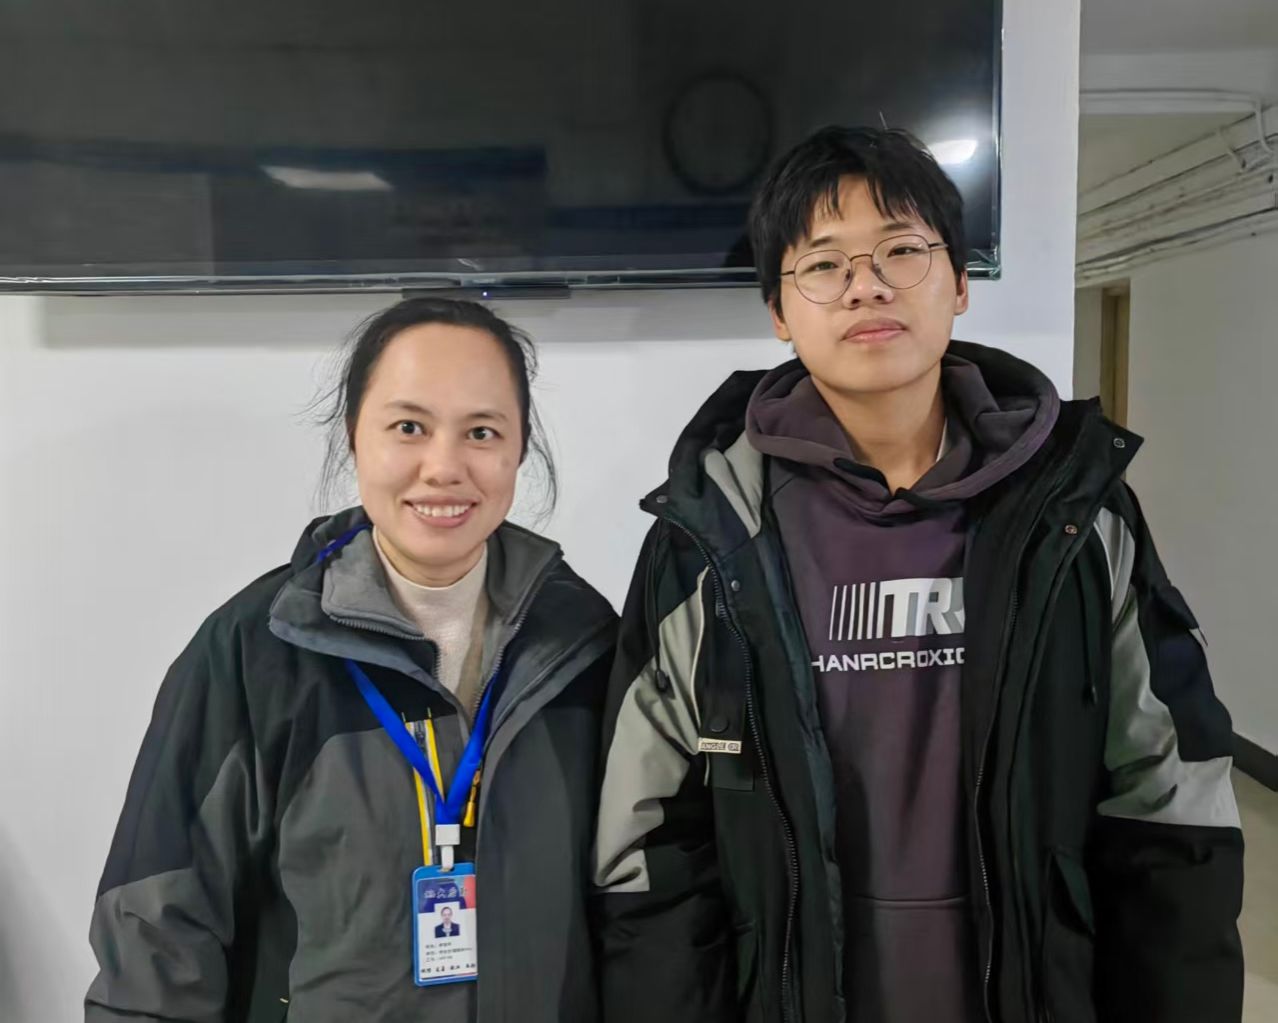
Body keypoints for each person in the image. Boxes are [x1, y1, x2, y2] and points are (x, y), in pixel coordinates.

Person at [593, 127, 1244, 1023]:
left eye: (901, 250)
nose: (866, 284)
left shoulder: (1074, 513)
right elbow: (647, 837)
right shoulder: (710, 533)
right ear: (780, 310)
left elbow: (1169, 800)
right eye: (824, 264)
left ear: (960, 283)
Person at [86, 297, 616, 1023]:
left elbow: (636, 908)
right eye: (409, 427)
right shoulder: (259, 648)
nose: (444, 467)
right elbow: (157, 933)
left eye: (481, 431)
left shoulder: (583, 644)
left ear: (519, 448)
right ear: (354, 437)